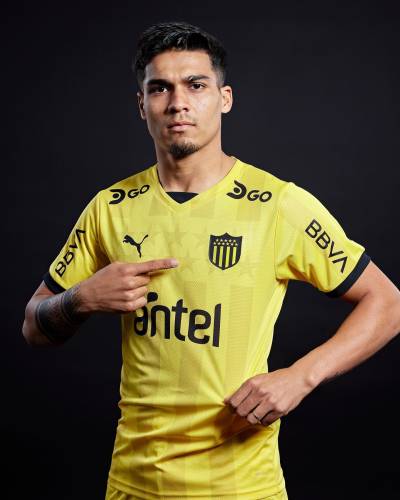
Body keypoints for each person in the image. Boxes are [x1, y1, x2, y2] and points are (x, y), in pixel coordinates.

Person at [22, 21, 400, 500]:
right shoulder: (111, 207)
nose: (177, 102)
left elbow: (388, 303)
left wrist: (300, 377)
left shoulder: (277, 204)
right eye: (160, 88)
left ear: (224, 98)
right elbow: (33, 326)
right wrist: (81, 298)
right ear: (142, 105)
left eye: (195, 85)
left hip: (241, 486)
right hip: (133, 484)